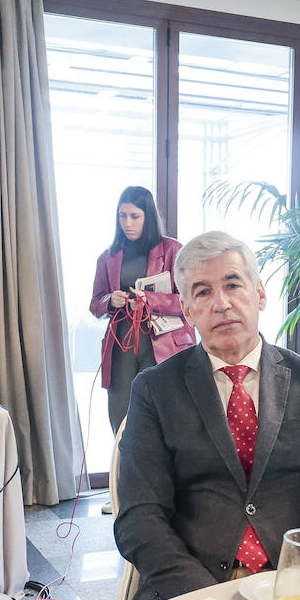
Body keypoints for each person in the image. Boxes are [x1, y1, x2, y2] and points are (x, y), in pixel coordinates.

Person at [114, 230, 300, 600]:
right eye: (202, 292)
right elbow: (140, 518)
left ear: (260, 294)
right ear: (187, 310)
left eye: (233, 285)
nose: (221, 303)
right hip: (191, 589)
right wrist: (207, 598)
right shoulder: (155, 390)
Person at [89, 186, 196, 434]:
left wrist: (151, 299)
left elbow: (189, 300)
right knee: (121, 416)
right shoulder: (108, 256)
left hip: (162, 343)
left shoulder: (173, 251)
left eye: (134, 216)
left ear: (148, 217)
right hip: (122, 344)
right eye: (122, 216)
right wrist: (109, 300)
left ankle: (162, 470)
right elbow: (95, 304)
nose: (127, 223)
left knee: (163, 415)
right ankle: (125, 470)